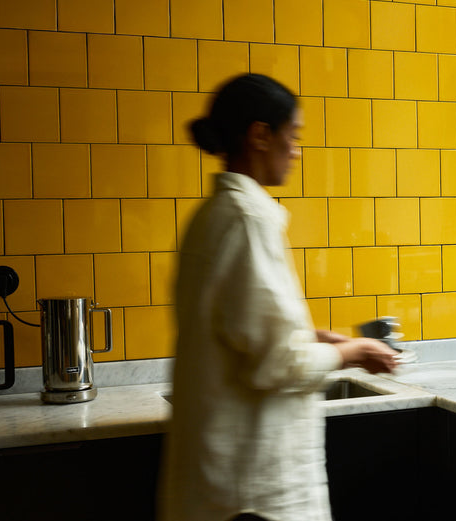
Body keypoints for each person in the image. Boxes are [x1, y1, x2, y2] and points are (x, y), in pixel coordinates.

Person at [158, 73, 399, 521]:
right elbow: (277, 363)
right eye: (295, 136)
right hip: (252, 496)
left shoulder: (211, 216)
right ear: (260, 135)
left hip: (217, 485)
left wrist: (308, 338)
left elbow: (235, 332)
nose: (299, 151)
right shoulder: (249, 219)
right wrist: (353, 350)